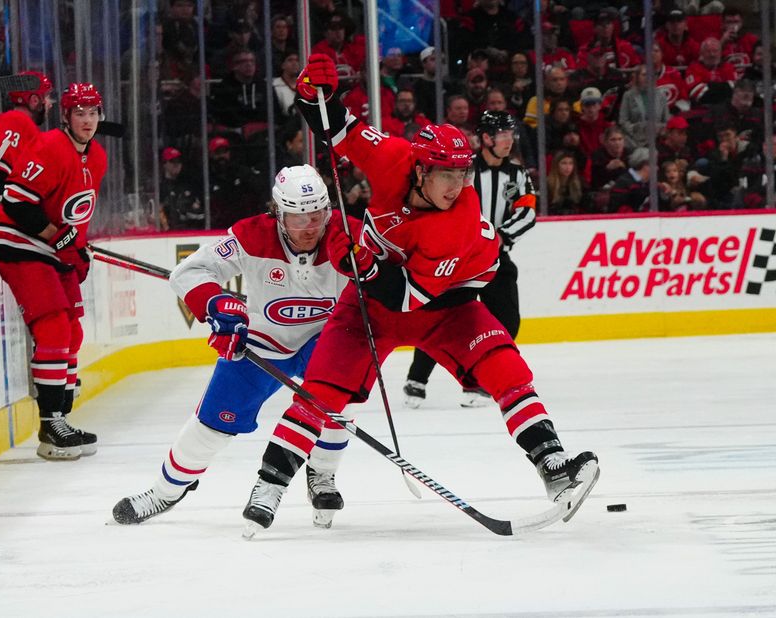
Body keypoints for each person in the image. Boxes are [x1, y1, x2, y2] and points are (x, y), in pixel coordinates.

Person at [240, 54, 599, 536]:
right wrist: (313, 94)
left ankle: (554, 467)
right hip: (368, 307)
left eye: (464, 174)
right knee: (319, 392)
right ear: (420, 169)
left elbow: (408, 299)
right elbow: (337, 126)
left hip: (446, 307)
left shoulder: (458, 224)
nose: (458, 186)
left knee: (506, 369)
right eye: (447, 175)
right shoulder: (392, 158)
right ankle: (269, 486)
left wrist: (359, 261)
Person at [112, 165, 354, 525]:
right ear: (277, 213)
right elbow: (189, 272)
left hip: (324, 339)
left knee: (340, 394)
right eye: (297, 218)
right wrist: (216, 304)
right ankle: (165, 491)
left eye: (316, 216)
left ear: (328, 211)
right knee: (212, 424)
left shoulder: (345, 235)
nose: (309, 228)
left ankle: (321, 474)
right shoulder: (251, 235)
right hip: (262, 344)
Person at [0, 83, 107, 460]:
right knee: (54, 326)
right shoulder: (51, 146)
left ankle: (61, 419)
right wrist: (60, 238)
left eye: (93, 113)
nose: (87, 121)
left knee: (72, 330)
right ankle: (49, 424)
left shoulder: (98, 156)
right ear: (66, 117)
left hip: (50, 247)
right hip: (19, 242)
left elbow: (76, 215)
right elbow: (17, 202)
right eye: (79, 113)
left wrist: (77, 249)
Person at [403, 110, 537, 408]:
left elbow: (527, 211)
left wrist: (500, 236)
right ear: (486, 138)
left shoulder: (517, 173)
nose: (508, 140)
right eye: (501, 134)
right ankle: (417, 379)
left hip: (495, 257)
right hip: (456, 258)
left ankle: (476, 383)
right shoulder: (463, 169)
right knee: (443, 318)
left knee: (507, 320)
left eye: (509, 134)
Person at [0, 71, 53, 243]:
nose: (50, 103)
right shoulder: (18, 123)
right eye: (46, 97)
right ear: (34, 100)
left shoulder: (2, 121)